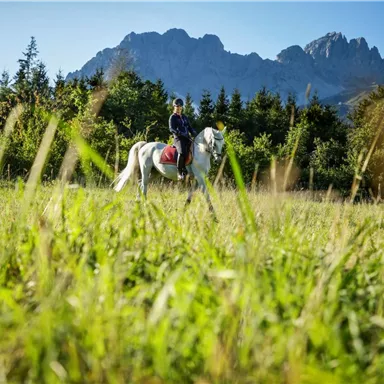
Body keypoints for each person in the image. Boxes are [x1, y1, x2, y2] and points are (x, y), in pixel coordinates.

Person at [169, 98, 197, 180]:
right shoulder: (172, 117)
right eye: (177, 107)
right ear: (174, 107)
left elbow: (190, 127)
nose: (179, 108)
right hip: (178, 139)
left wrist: (194, 132)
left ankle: (189, 169)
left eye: (180, 107)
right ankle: (179, 172)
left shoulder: (184, 117)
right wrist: (178, 132)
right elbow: (171, 128)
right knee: (181, 153)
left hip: (187, 138)